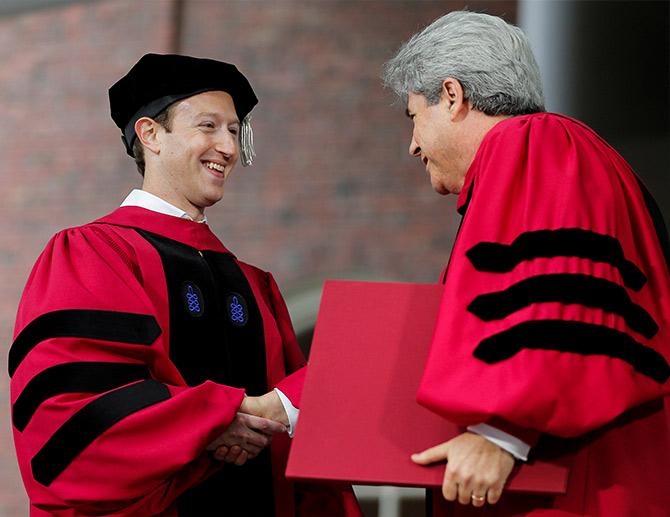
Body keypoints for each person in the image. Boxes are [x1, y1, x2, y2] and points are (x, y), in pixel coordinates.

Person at [9, 54, 361, 516]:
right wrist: (216, 419)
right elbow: (71, 413)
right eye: (209, 126)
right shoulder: (92, 254)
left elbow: (305, 444)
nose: (228, 147)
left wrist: (283, 407)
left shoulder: (256, 285)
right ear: (150, 135)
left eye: (234, 131)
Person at [383, 11, 670, 516]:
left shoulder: (537, 144)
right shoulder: (559, 157)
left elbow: (565, 296)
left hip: (575, 480)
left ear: (452, 96)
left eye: (413, 117)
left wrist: (501, 433)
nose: (412, 145)